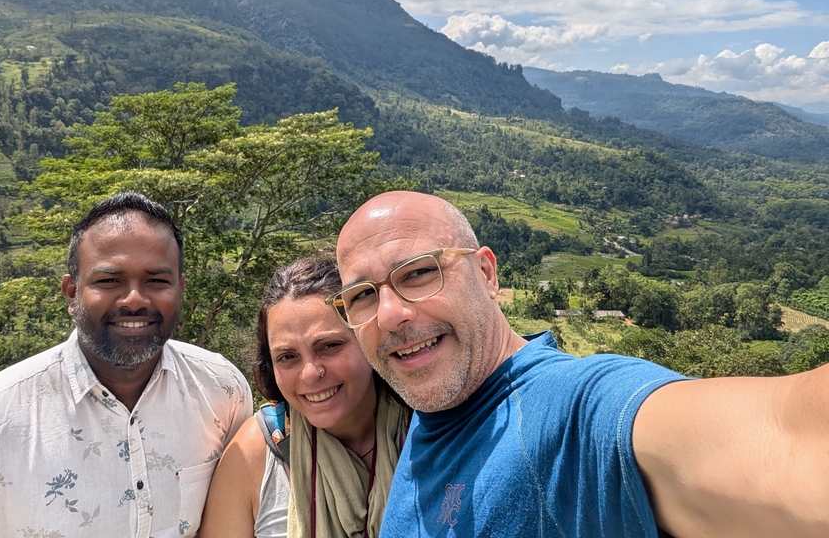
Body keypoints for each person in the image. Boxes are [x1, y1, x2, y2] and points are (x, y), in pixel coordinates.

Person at [333, 190, 829, 538]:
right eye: (361, 296)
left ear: (486, 273)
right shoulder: (430, 421)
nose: (391, 314)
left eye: (419, 273)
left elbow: (786, 439)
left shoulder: (578, 408)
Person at [0, 192, 252, 538]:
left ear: (180, 289)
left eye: (156, 281)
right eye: (109, 281)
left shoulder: (223, 390)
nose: (134, 299)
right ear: (72, 294)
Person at [198, 256, 410, 538]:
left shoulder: (430, 429)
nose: (310, 373)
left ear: (368, 338)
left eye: (330, 346)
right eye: (287, 357)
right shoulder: (255, 453)